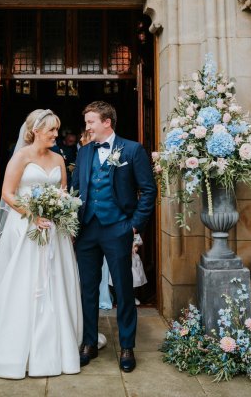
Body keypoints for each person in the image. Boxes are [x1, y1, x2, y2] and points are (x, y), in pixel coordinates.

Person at [0, 109, 82, 379]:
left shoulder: (59, 158)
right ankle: (15, 346)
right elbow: (7, 193)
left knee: (56, 282)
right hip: (25, 228)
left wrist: (61, 213)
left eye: (57, 129)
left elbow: (63, 192)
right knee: (23, 282)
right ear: (35, 131)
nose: (57, 134)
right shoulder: (20, 157)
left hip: (54, 231)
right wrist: (33, 215)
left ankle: (57, 345)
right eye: (52, 130)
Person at [72, 101, 156, 373]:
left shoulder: (132, 150)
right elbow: (75, 191)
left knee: (122, 288)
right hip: (87, 230)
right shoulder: (84, 153)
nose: (87, 127)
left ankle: (127, 346)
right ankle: (89, 343)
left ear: (106, 122)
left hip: (118, 228)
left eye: (91, 122)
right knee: (87, 288)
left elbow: (148, 190)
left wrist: (133, 226)